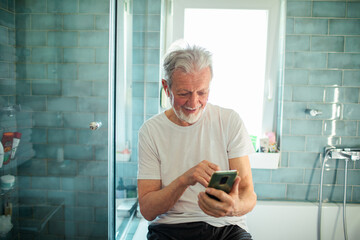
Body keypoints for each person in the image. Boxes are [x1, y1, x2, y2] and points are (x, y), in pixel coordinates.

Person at [137, 42, 257, 240]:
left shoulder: (229, 121)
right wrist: (185, 179)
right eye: (183, 94)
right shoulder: (151, 132)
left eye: (202, 92)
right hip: (170, 229)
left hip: (227, 228)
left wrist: (233, 207)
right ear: (166, 88)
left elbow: (248, 195)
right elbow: (148, 210)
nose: (194, 103)